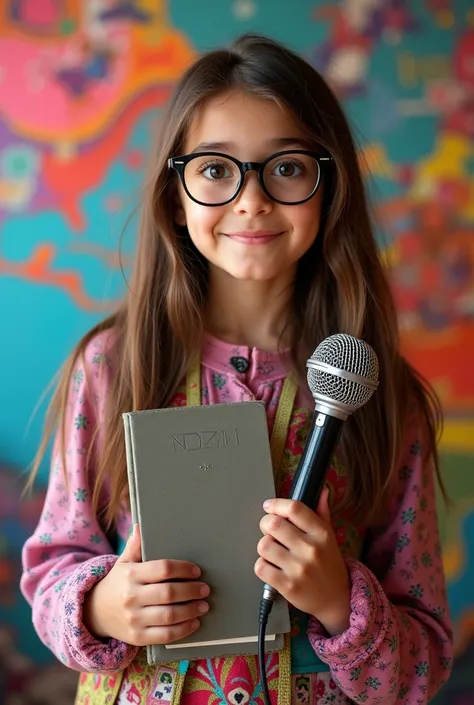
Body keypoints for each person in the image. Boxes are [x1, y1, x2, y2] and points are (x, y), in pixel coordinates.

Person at [21, 34, 453, 705]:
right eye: (217, 170)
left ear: (327, 182)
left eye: (285, 168)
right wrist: (103, 606)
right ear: (175, 193)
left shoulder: (379, 395)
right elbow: (53, 571)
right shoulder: (111, 365)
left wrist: (341, 601)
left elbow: (419, 669)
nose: (251, 200)